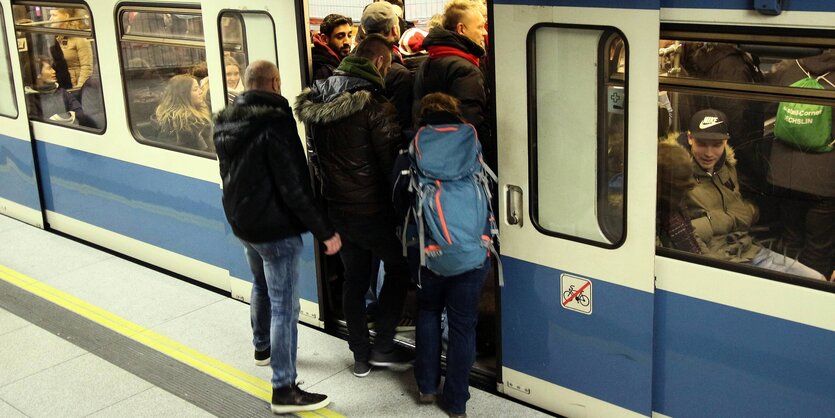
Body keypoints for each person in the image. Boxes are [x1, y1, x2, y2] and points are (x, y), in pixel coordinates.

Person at [214, 60, 341, 414]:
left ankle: (261, 348)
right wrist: (324, 230)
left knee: (261, 283)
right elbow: (293, 185)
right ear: (274, 83)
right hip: (275, 229)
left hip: (244, 224)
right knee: (286, 305)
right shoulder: (275, 122)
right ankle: (284, 389)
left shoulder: (227, 121)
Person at [294, 34, 412, 377]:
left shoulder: (315, 100)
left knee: (354, 281)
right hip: (373, 211)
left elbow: (316, 158)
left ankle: (360, 355)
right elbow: (392, 166)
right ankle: (384, 345)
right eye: (388, 65)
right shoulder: (375, 106)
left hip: (336, 208)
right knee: (398, 269)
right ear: (378, 63)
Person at [410, 92, 490, 418]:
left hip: (432, 252)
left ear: (424, 116)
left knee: (428, 313)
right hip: (472, 250)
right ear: (455, 112)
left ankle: (427, 388)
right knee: (462, 326)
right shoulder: (472, 141)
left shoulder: (414, 145)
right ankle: (457, 404)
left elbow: (398, 196)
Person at [683, 109, 825, 280]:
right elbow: (682, 234)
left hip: (746, 249)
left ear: (726, 141)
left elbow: (742, 214)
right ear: (690, 138)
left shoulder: (726, 169)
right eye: (702, 144)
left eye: (716, 145)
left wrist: (721, 219)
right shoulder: (675, 177)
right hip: (720, 260)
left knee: (816, 280)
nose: (709, 153)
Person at [766, 53, 835, 280]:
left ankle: (787, 290)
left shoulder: (790, 68)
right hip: (823, 179)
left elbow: (768, 107)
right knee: (818, 248)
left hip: (784, 172)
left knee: (790, 239)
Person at [412, 0, 493, 170]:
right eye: (479, 27)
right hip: (461, 162)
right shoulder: (465, 69)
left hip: (429, 154)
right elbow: (471, 124)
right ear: (461, 29)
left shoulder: (427, 62)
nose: (484, 31)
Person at [361, 1, 413, 135]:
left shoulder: (348, 63)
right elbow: (399, 123)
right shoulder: (399, 74)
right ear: (395, 30)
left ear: (364, 30)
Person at [153, 74, 213, 152]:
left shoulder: (199, 115)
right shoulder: (181, 126)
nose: (201, 91)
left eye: (199, 88)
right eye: (195, 89)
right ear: (183, 96)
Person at [23, 56, 84, 123]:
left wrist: (57, 119)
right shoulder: (30, 100)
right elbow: (40, 124)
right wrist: (68, 117)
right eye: (49, 69)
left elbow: (80, 112)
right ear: (38, 74)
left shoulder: (62, 92)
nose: (54, 71)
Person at [49, 8, 93, 88]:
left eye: (54, 15)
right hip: (62, 83)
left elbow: (86, 67)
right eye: (50, 15)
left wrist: (79, 89)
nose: (50, 19)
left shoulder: (79, 37)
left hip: (74, 84)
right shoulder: (57, 37)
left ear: (66, 16)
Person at [311, 14, 352, 81]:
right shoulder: (322, 70)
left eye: (349, 35)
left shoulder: (340, 62)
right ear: (324, 39)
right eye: (340, 36)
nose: (347, 42)